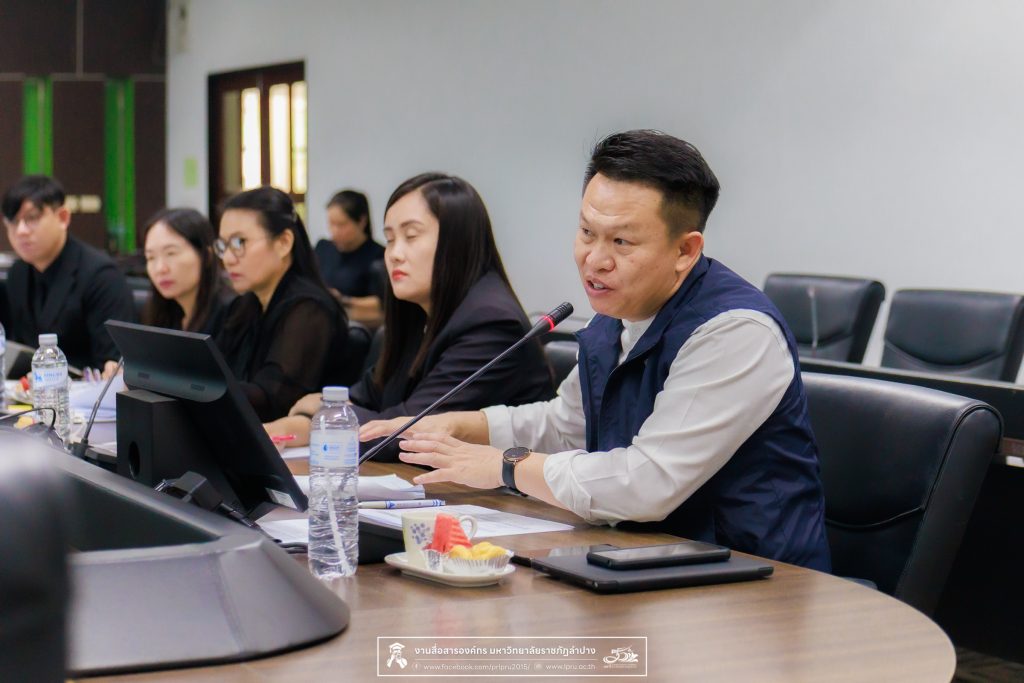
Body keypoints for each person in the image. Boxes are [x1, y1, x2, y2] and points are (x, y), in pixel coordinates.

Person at [361, 131, 832, 571]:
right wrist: (466, 426)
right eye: (587, 233)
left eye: (621, 241)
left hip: (753, 582)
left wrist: (505, 465)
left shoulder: (735, 331)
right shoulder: (615, 317)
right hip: (643, 560)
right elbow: (567, 426)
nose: (595, 259)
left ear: (685, 251)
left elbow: (647, 481)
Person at [266, 173, 553, 453]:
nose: (394, 254)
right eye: (390, 239)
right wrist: (300, 423)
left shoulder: (491, 323)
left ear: (457, 241)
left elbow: (410, 430)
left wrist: (324, 416)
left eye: (411, 236)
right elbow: (367, 397)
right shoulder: (419, 312)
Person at [214, 186, 350, 421]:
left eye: (239, 242)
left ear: (284, 243)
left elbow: (272, 401)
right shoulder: (244, 305)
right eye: (223, 245)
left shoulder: (310, 310)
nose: (227, 258)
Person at [1, 175, 135, 377]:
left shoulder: (102, 276)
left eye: (32, 218)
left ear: (63, 217)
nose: (20, 231)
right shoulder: (17, 274)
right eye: (12, 221)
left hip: (87, 392)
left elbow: (114, 364)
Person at [141, 208, 235, 335]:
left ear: (207, 256)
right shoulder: (163, 314)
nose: (160, 269)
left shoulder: (233, 315)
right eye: (151, 257)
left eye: (171, 253)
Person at [314, 189, 385, 326]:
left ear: (362, 221)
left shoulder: (379, 256)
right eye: (331, 224)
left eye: (341, 225)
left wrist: (343, 300)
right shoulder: (323, 248)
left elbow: (382, 305)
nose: (334, 232)